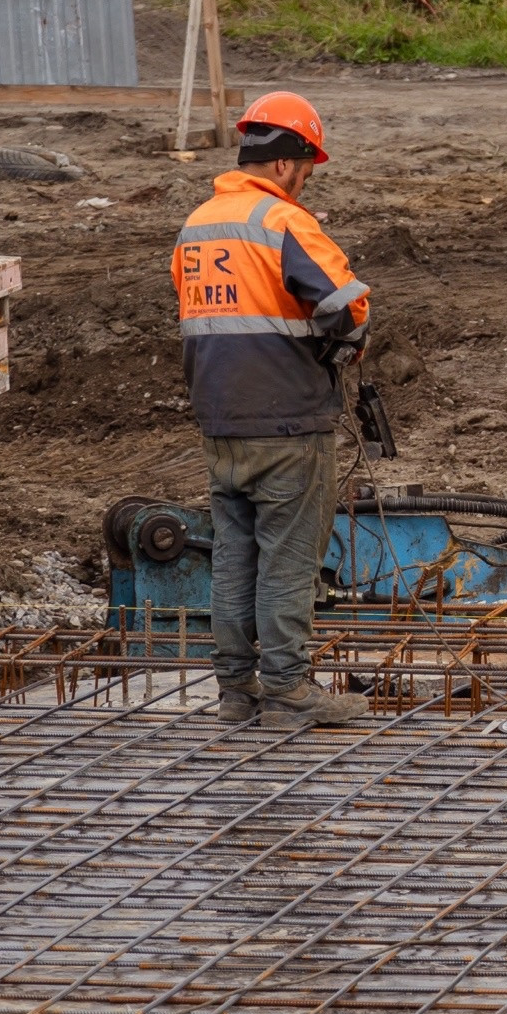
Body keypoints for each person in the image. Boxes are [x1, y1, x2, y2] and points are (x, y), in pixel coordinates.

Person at [170, 92, 374, 730]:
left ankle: (236, 691)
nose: (306, 179)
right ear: (287, 163)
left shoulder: (198, 225)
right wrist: (340, 344)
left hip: (220, 423)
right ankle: (287, 689)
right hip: (286, 421)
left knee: (235, 557)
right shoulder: (284, 223)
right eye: (308, 167)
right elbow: (349, 308)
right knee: (287, 557)